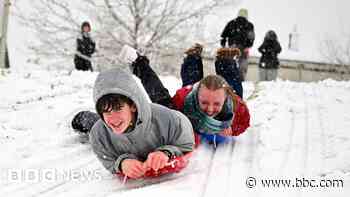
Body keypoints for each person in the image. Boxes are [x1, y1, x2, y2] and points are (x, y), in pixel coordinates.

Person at [89, 68, 194, 179]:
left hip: (160, 116)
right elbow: (107, 158)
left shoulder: (168, 119)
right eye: (106, 111)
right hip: (97, 124)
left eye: (118, 109)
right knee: (84, 122)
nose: (113, 118)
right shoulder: (98, 134)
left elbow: (186, 143)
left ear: (133, 106)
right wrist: (121, 164)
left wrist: (167, 153)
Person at [172, 75, 250, 147]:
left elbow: (244, 124)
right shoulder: (181, 100)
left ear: (225, 99)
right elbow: (170, 124)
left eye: (217, 104)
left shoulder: (238, 107)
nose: (210, 110)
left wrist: (233, 129)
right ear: (197, 95)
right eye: (204, 103)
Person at [220, 8, 255, 81]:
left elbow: (223, 35)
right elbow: (251, 38)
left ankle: (230, 78)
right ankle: (240, 79)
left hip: (232, 47)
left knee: (231, 62)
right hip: (244, 48)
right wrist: (248, 46)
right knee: (242, 65)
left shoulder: (231, 23)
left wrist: (223, 45)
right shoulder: (249, 25)